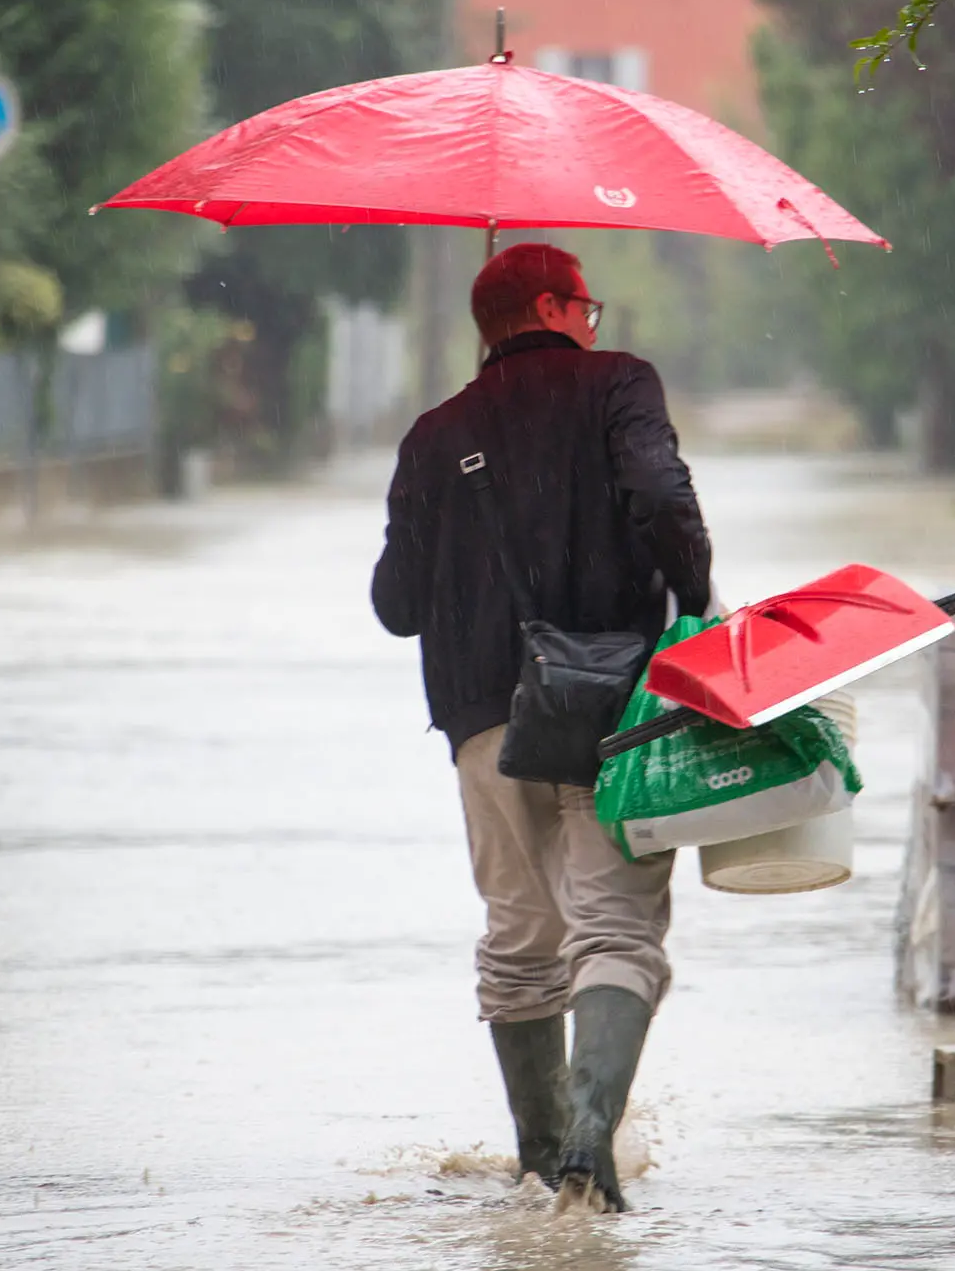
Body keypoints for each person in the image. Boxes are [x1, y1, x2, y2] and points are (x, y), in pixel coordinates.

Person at [370, 242, 712, 1213]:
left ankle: (535, 1161)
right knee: (614, 929)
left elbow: (395, 603)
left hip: (483, 714)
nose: (592, 323)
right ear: (555, 305)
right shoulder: (619, 385)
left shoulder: (435, 434)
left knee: (520, 940)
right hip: (618, 705)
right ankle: (590, 1150)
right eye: (586, 307)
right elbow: (660, 502)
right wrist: (693, 604)